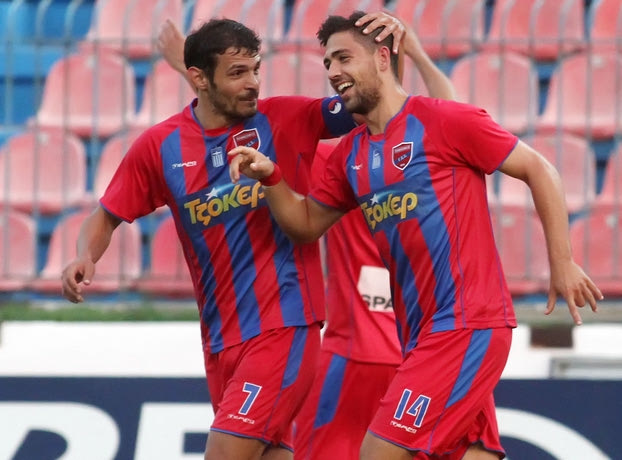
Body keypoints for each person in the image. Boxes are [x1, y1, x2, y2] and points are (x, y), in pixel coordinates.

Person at [228, 11, 603, 460]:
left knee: (378, 454)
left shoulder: (441, 120)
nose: (333, 72)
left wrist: (562, 262)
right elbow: (305, 224)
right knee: (472, 454)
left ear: (383, 58)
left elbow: (539, 169)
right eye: (327, 63)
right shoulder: (350, 154)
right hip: (420, 336)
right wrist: (271, 177)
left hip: (466, 325)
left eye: (344, 58)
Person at [60, 14, 407, 460]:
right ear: (198, 79)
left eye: (256, 70)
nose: (253, 83)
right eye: (238, 73)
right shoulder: (160, 147)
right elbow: (105, 216)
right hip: (221, 341)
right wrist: (84, 256)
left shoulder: (285, 118)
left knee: (224, 454)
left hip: (284, 327)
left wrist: (388, 52)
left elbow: (375, 102)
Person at [293, 19, 456, 460]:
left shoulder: (339, 157)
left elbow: (239, 138)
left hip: (355, 353)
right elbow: (453, 109)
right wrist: (416, 52)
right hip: (415, 353)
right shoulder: (425, 150)